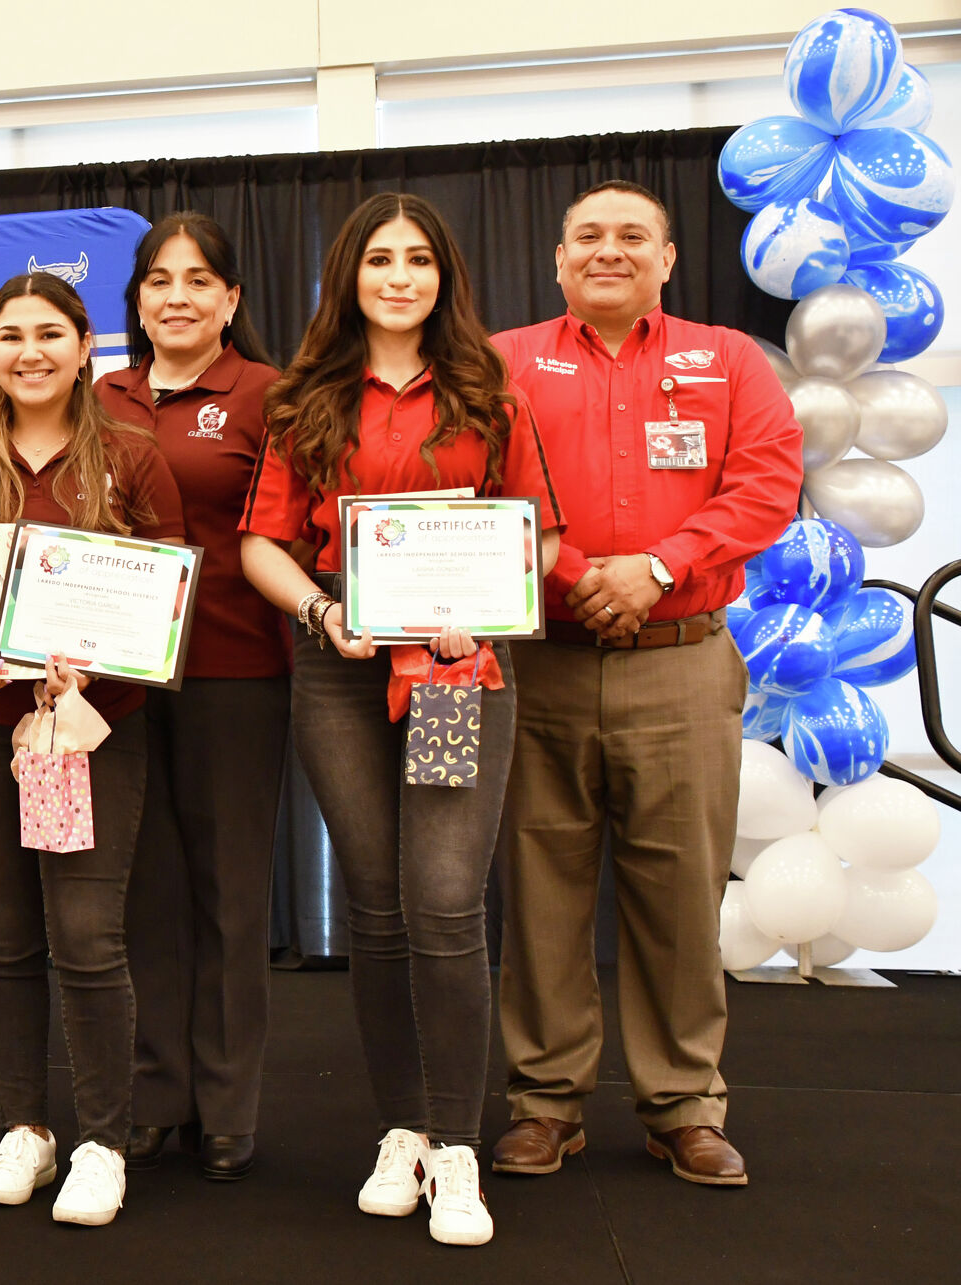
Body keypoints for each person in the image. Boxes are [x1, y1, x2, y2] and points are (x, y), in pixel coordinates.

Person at [240, 192, 564, 1247]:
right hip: (336, 664)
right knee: (375, 904)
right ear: (349, 275)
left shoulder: (488, 393)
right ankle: (401, 1132)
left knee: (441, 901)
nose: (397, 276)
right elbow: (259, 546)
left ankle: (457, 1146)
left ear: (442, 278)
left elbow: (543, 542)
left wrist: (482, 609)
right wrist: (323, 610)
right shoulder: (302, 401)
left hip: (456, 670)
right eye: (378, 258)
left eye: (417, 259)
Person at [489, 179, 802, 1188]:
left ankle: (681, 1104)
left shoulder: (729, 359)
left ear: (667, 258)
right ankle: (543, 1102)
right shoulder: (501, 361)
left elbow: (764, 484)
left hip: (680, 661)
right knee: (539, 892)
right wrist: (580, 573)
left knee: (678, 895)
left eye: (632, 236)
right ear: (556, 259)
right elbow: (479, 491)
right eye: (587, 235)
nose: (608, 250)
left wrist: (657, 566)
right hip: (537, 662)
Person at [0, 271, 185, 1228]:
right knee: (7, 940)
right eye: (11, 334)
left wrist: (96, 671)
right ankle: (27, 1124)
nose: (30, 351)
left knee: (91, 940)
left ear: (84, 344)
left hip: (92, 732)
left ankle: (102, 1139)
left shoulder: (135, 460)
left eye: (50, 333)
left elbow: (162, 605)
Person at [96, 212, 288, 1181]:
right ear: (134, 300)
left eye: (197, 279)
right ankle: (152, 1091)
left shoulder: (267, 394)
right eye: (157, 280)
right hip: (118, 679)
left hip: (232, 670)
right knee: (143, 892)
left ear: (229, 300)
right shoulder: (101, 395)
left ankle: (224, 1102)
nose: (176, 295)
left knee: (228, 893)